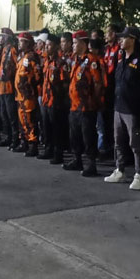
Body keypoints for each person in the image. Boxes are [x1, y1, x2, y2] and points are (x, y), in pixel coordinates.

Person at [104, 26, 140, 191]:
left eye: (124, 37)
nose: (120, 40)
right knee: (118, 141)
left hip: (132, 109)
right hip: (119, 106)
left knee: (135, 143)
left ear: (133, 40)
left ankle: (139, 174)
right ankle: (120, 169)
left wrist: (139, 106)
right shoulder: (121, 58)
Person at [65, 31, 104, 177]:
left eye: (75, 43)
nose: (73, 45)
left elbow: (98, 83)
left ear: (83, 44)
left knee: (88, 136)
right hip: (74, 105)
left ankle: (91, 164)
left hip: (87, 106)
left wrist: (94, 101)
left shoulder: (92, 60)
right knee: (74, 135)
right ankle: (77, 160)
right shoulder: (76, 59)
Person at [39, 34, 69, 164]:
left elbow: (65, 84)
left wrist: (60, 98)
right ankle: (48, 149)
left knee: (57, 128)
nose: (46, 47)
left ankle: (58, 153)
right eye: (46, 45)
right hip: (46, 100)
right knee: (46, 127)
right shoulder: (46, 61)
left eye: (49, 45)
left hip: (56, 101)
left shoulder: (60, 63)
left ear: (56, 46)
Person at [14, 32, 42, 156]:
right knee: (22, 120)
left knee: (30, 120)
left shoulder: (32, 57)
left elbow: (37, 75)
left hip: (28, 95)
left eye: (21, 41)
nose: (19, 43)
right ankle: (24, 141)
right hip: (20, 95)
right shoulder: (22, 56)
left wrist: (30, 86)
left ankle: (32, 144)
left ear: (27, 43)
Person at [99, 24, 121, 159]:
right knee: (105, 120)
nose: (105, 35)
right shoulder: (106, 49)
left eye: (107, 32)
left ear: (113, 34)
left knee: (114, 123)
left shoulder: (119, 49)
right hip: (106, 89)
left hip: (114, 89)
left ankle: (114, 150)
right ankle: (106, 148)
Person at [0, 29, 20, 149]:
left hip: (9, 87)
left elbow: (17, 66)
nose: (1, 38)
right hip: (2, 87)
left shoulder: (12, 50)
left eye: (3, 36)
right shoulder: (4, 50)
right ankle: (8, 137)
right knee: (4, 114)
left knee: (11, 115)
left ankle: (15, 139)